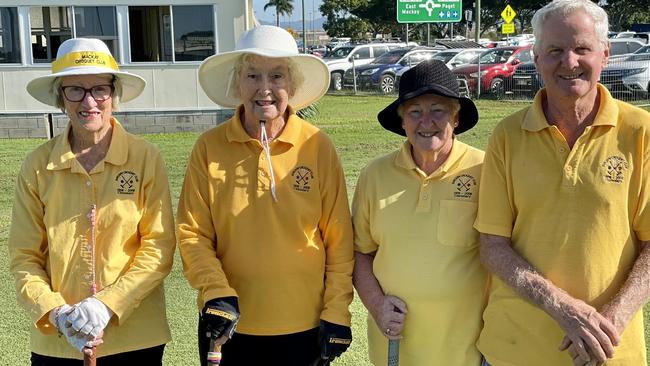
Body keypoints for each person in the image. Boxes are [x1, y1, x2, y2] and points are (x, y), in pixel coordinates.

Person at [475, 1, 650, 365]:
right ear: (537, 58)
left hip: (609, 352)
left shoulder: (641, 133)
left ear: (605, 54)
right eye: (554, 50)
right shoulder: (507, 136)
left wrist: (607, 324)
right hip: (514, 351)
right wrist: (561, 307)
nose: (569, 62)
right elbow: (492, 245)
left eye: (581, 48)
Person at [176, 25, 354, 366]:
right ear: (237, 82)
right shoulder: (209, 147)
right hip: (226, 323)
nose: (265, 89)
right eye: (253, 75)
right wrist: (216, 291)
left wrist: (337, 309)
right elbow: (192, 234)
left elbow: (339, 240)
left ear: (293, 84)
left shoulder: (318, 146)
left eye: (277, 76)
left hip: (306, 326)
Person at [8, 38, 176, 365]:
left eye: (100, 89)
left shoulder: (145, 158)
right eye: (75, 90)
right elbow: (24, 257)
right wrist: (56, 312)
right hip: (58, 341)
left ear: (114, 95)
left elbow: (159, 247)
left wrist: (107, 304)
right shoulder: (37, 165)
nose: (89, 101)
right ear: (60, 98)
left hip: (136, 337)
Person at [352, 59, 486, 365]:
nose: (426, 121)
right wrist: (377, 305)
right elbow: (360, 253)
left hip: (466, 351)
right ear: (402, 121)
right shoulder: (374, 175)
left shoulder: (486, 170)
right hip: (394, 349)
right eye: (414, 111)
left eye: (438, 110)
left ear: (456, 117)